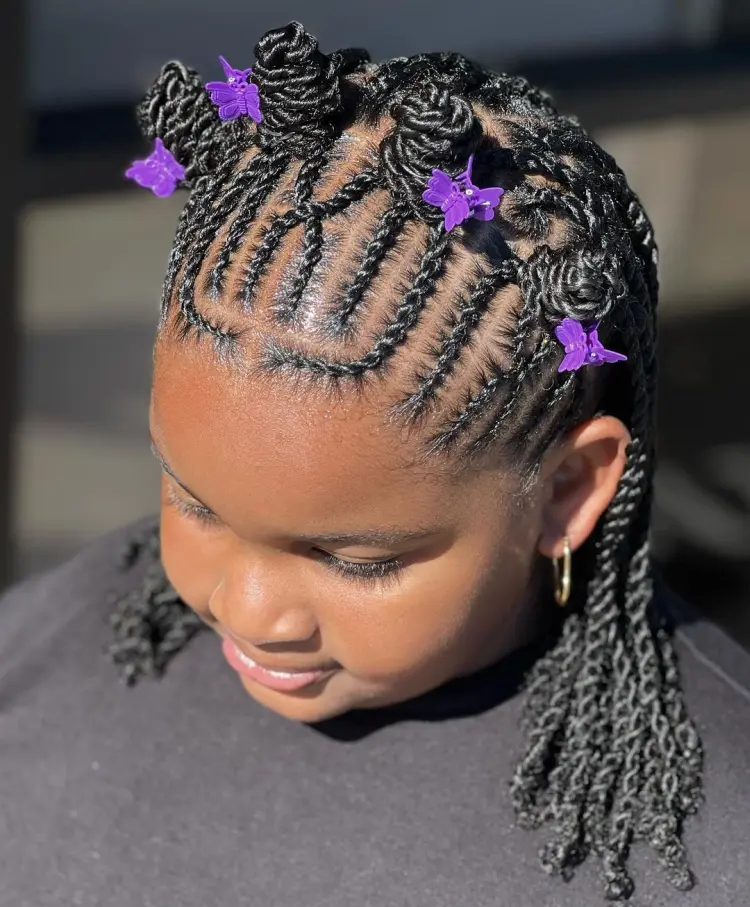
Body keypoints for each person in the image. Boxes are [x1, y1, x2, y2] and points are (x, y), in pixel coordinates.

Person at [2, 20, 749, 907]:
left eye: (354, 559)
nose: (244, 607)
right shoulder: (42, 655)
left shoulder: (701, 851)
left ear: (568, 489)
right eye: (194, 501)